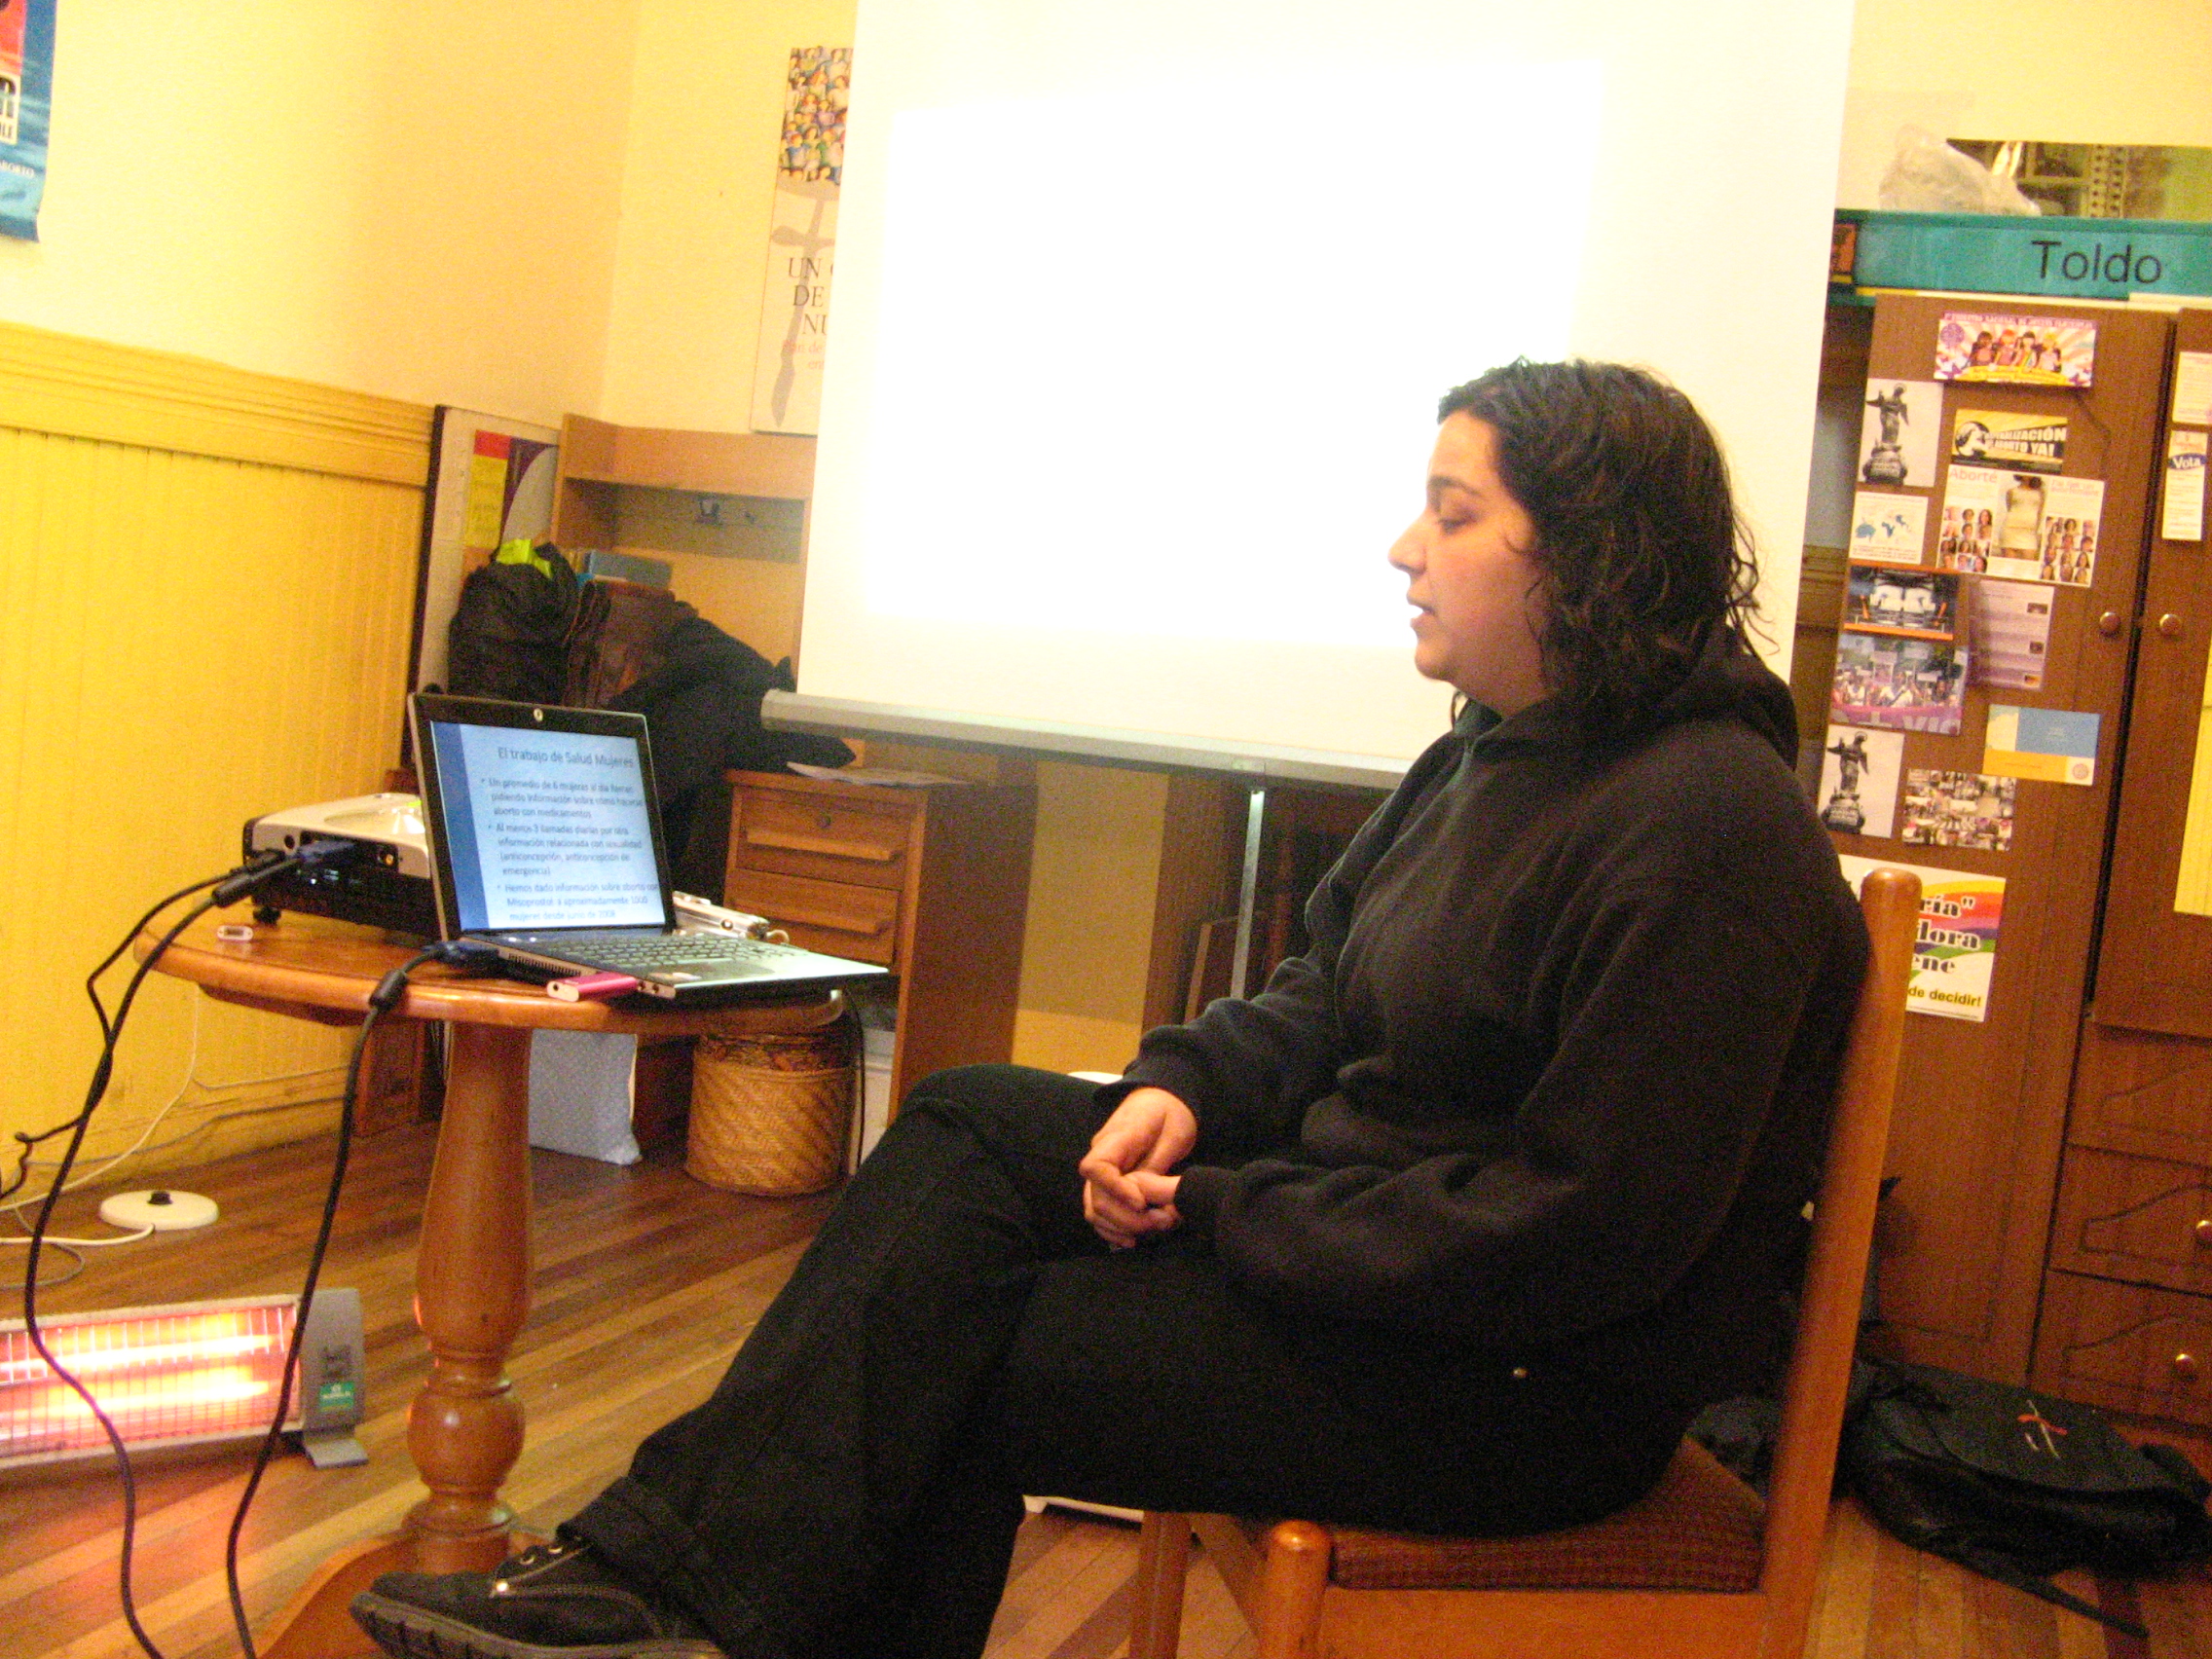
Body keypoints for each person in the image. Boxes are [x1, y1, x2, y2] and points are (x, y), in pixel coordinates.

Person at [350, 360, 1869, 1659]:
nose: (1405, 547)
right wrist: (1183, 1090)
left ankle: (663, 1596)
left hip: (1521, 1387)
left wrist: (1220, 1209)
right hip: (1369, 1276)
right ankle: (661, 1590)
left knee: (955, 1354)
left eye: (1454, 512)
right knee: (967, 1117)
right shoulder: (1487, 757)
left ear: (1588, 553)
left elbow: (1574, 1237)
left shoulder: (1708, 830)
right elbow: (1322, 989)